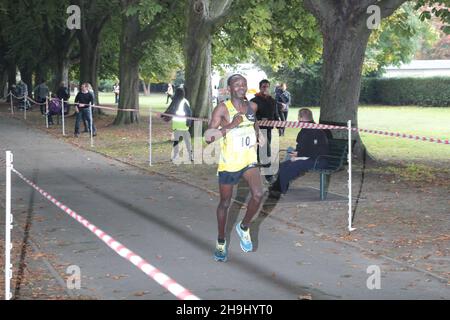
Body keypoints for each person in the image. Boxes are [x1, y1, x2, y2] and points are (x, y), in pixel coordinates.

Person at [206, 74, 265, 262]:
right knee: (225, 203)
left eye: (244, 84)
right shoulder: (222, 109)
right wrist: (231, 125)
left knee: (258, 194)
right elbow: (208, 137)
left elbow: (253, 122)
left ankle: (244, 226)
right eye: (237, 84)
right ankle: (221, 241)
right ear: (229, 89)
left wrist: (258, 135)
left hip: (248, 159)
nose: (241, 87)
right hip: (230, 162)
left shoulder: (251, 106)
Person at [268, 108, 330, 199]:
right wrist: (297, 154)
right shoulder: (307, 129)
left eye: (298, 117)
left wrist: (298, 156)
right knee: (284, 165)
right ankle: (278, 188)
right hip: (310, 158)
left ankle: (278, 190)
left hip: (319, 160)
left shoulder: (315, 131)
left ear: (300, 118)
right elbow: (304, 147)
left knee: (293, 165)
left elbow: (316, 151)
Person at [250, 79, 280, 168]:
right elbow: (250, 115)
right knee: (263, 143)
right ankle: (264, 162)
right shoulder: (254, 100)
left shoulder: (272, 101)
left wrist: (279, 125)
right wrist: (259, 119)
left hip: (269, 127)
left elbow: (275, 114)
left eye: (267, 86)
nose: (265, 88)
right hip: (258, 126)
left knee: (267, 143)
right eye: (263, 86)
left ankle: (264, 162)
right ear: (260, 88)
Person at [161, 87, 193, 161]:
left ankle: (175, 156)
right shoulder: (183, 101)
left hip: (179, 124)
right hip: (182, 124)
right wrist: (189, 122)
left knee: (177, 141)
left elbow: (170, 110)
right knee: (186, 140)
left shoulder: (177, 101)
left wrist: (163, 115)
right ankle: (189, 156)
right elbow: (189, 112)